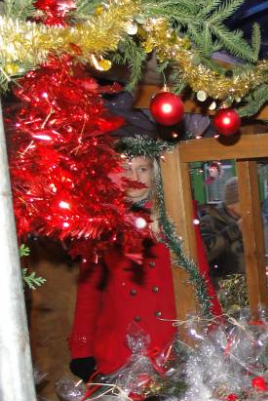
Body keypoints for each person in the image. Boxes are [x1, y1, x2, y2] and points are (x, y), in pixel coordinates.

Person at [68, 136, 221, 380]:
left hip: (171, 343)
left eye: (142, 169)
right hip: (120, 347)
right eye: (126, 169)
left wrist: (214, 332)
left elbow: (199, 275)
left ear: (154, 173)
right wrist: (82, 349)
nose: (135, 178)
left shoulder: (176, 214)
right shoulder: (99, 222)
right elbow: (89, 290)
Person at [199, 177, 268, 285]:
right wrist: (235, 230)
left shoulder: (258, 219)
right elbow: (203, 252)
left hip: (259, 287)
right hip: (227, 292)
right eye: (246, 202)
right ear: (231, 205)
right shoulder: (210, 221)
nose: (251, 206)